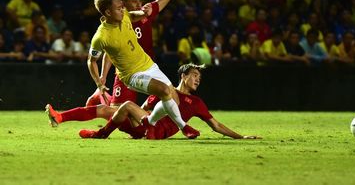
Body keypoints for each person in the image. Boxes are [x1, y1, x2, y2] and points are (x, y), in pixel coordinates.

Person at [87, 0, 199, 139]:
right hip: (130, 74)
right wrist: (100, 81)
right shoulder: (102, 37)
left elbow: (135, 13)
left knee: (172, 98)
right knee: (120, 109)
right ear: (108, 12)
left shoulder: (126, 14)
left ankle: (147, 123)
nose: (123, 9)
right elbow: (94, 59)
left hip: (148, 65)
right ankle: (184, 127)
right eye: (121, 6)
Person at [47, 64, 260, 140]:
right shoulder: (162, 90)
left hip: (154, 132)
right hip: (144, 126)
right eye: (195, 75)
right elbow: (145, 109)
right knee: (107, 108)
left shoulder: (195, 102)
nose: (197, 79)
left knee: (115, 107)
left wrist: (240, 136)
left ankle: (100, 133)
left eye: (200, 78)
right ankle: (63, 118)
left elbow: (215, 125)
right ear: (183, 76)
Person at [86, 0, 181, 107]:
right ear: (122, 3)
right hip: (127, 72)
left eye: (140, 0)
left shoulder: (146, 11)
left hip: (148, 67)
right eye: (135, 1)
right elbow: (110, 51)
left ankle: (148, 123)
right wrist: (103, 76)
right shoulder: (116, 23)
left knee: (164, 102)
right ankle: (103, 100)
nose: (139, 4)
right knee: (118, 112)